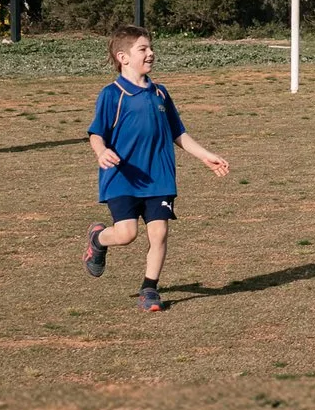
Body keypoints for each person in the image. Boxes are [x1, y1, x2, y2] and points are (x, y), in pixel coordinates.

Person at [82, 26, 230, 312]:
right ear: (123, 57)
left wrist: (205, 156)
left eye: (151, 48)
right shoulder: (112, 94)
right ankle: (98, 239)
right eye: (143, 49)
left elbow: (179, 134)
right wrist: (102, 152)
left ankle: (149, 289)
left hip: (159, 177)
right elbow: (96, 132)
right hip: (123, 177)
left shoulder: (161, 93)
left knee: (159, 233)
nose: (151, 53)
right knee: (126, 235)